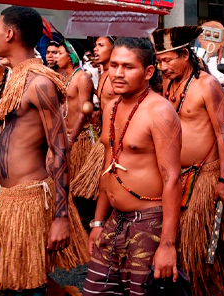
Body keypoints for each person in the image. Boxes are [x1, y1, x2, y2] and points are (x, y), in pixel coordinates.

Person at [0, 6, 88, 295]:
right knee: (9, 285)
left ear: (10, 33)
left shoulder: (40, 83)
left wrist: (61, 217)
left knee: (28, 289)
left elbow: (60, 149)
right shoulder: (14, 77)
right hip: (8, 198)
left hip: (30, 200)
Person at [82, 37, 183, 296]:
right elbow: (109, 166)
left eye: (128, 67)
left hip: (149, 223)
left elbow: (172, 178)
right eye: (113, 65)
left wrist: (168, 245)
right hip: (115, 221)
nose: (117, 73)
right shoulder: (111, 107)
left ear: (149, 72)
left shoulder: (159, 111)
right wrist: (96, 223)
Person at [152, 25, 224, 296]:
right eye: (159, 61)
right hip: (175, 176)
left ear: (185, 56)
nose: (162, 66)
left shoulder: (208, 85)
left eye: (167, 60)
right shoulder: (167, 84)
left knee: (202, 249)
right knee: (174, 242)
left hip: (205, 178)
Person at [70, 37, 116, 200]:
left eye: (101, 45)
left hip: (115, 142)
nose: (95, 49)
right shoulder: (103, 75)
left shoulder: (116, 77)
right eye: (95, 45)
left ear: (113, 49)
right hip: (101, 138)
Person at [56, 41, 94, 182]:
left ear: (72, 56)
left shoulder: (82, 78)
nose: (56, 57)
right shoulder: (65, 78)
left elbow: (83, 112)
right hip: (65, 137)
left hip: (78, 139)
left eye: (60, 53)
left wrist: (71, 140)